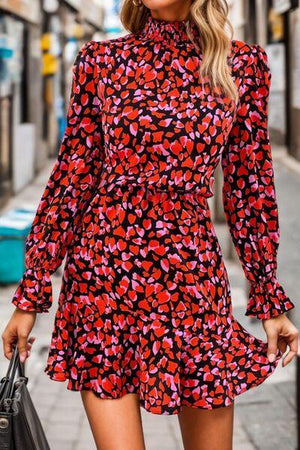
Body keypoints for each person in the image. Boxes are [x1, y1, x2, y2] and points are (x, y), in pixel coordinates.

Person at [2, 1, 298, 449]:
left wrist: (268, 295)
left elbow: (249, 186)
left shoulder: (241, 65)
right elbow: (72, 178)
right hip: (103, 281)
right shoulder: (100, 62)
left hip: (193, 284)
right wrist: (31, 292)